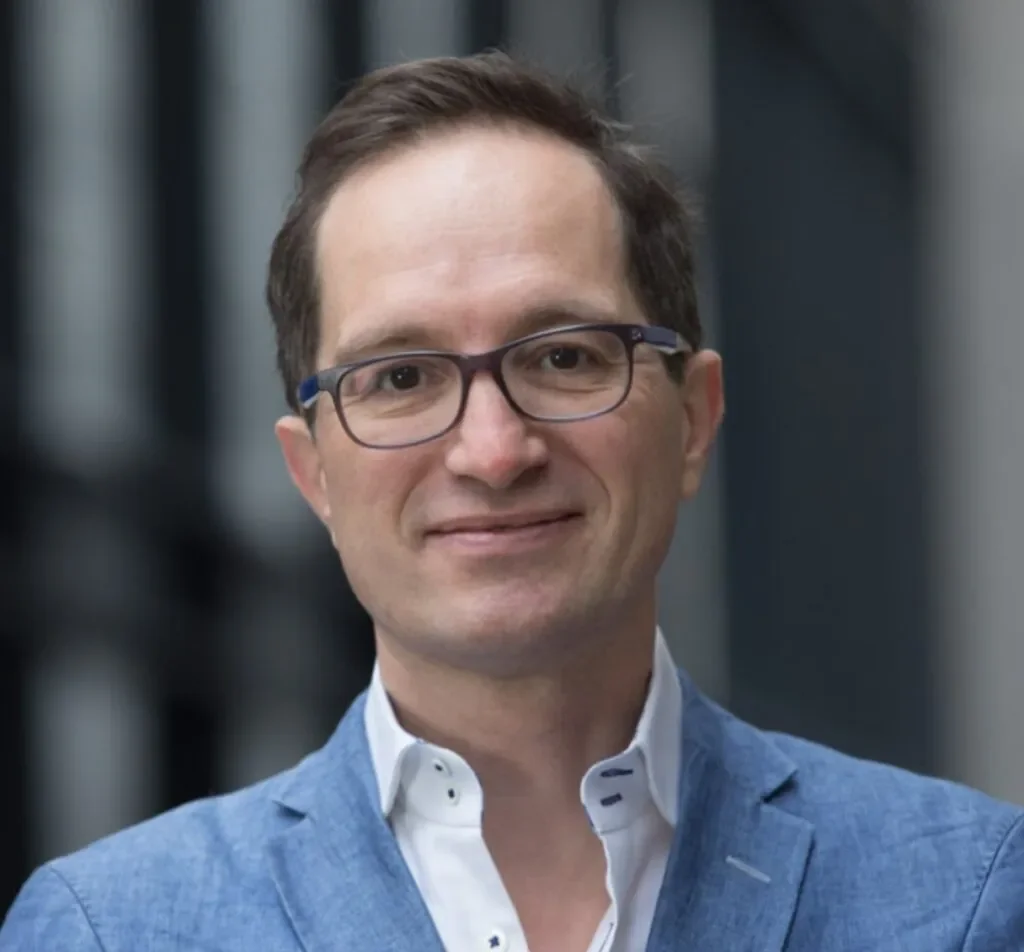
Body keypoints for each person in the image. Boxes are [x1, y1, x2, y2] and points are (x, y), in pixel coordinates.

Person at [2, 51, 1022, 952]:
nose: (492, 452)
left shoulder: (964, 898)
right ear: (311, 471)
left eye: (566, 356)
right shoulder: (111, 928)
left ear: (695, 420)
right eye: (400, 377)